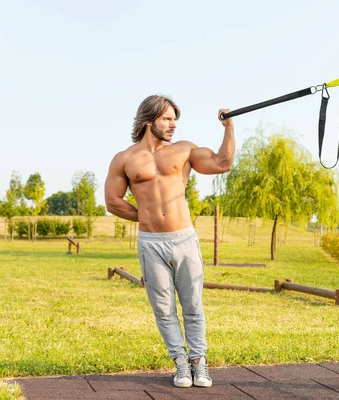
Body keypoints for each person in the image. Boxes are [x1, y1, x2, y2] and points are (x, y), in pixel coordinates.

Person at [104, 95, 234, 388]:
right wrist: (148, 216)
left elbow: (222, 163)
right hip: (151, 243)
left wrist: (228, 128)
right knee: (163, 309)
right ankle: (181, 364)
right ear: (148, 121)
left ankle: (199, 362)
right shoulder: (124, 159)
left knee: (192, 305)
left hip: (184, 239)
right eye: (167, 119)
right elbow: (113, 202)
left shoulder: (184, 150)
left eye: (175, 119)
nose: (173, 124)